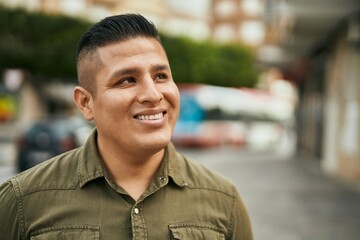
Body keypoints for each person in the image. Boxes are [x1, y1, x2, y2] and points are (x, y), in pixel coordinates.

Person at [0, 13, 253, 239]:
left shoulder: (223, 200)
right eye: (127, 80)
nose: (153, 95)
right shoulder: (22, 201)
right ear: (86, 103)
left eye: (160, 76)